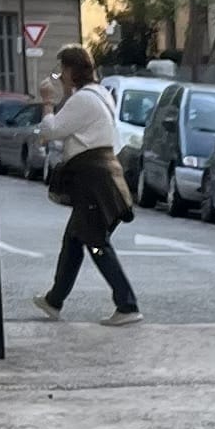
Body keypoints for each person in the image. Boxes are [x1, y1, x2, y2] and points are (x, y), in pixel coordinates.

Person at [31, 45, 142, 325]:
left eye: (61, 70)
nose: (60, 76)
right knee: (74, 239)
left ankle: (127, 305)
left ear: (70, 70)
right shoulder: (100, 94)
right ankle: (54, 300)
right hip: (102, 177)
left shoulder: (82, 100)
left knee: (96, 243)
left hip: (93, 181)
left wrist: (47, 102)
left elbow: (51, 130)